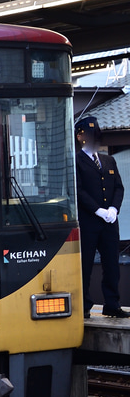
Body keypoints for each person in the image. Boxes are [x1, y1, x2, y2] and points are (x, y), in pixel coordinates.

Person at [75, 116, 128, 318]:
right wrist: (98, 210)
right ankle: (85, 306)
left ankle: (112, 304)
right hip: (89, 221)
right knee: (86, 265)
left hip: (109, 222)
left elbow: (118, 187)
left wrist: (114, 209)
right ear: (81, 137)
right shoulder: (76, 161)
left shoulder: (109, 159)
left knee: (112, 264)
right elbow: (79, 191)